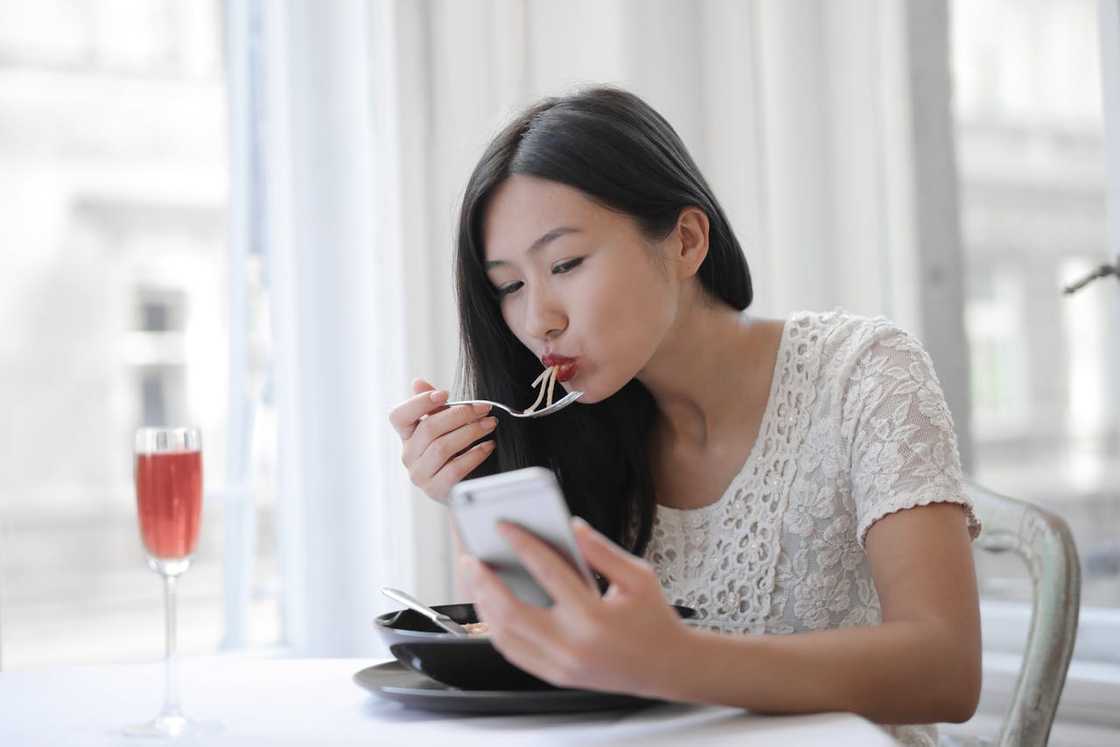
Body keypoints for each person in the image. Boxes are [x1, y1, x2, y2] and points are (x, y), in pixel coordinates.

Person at [388, 86, 981, 747]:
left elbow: (946, 669)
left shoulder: (863, 373)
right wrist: (477, 499)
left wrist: (676, 661)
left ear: (686, 242)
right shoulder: (572, 434)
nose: (538, 319)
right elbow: (552, 677)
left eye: (565, 263)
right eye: (510, 285)